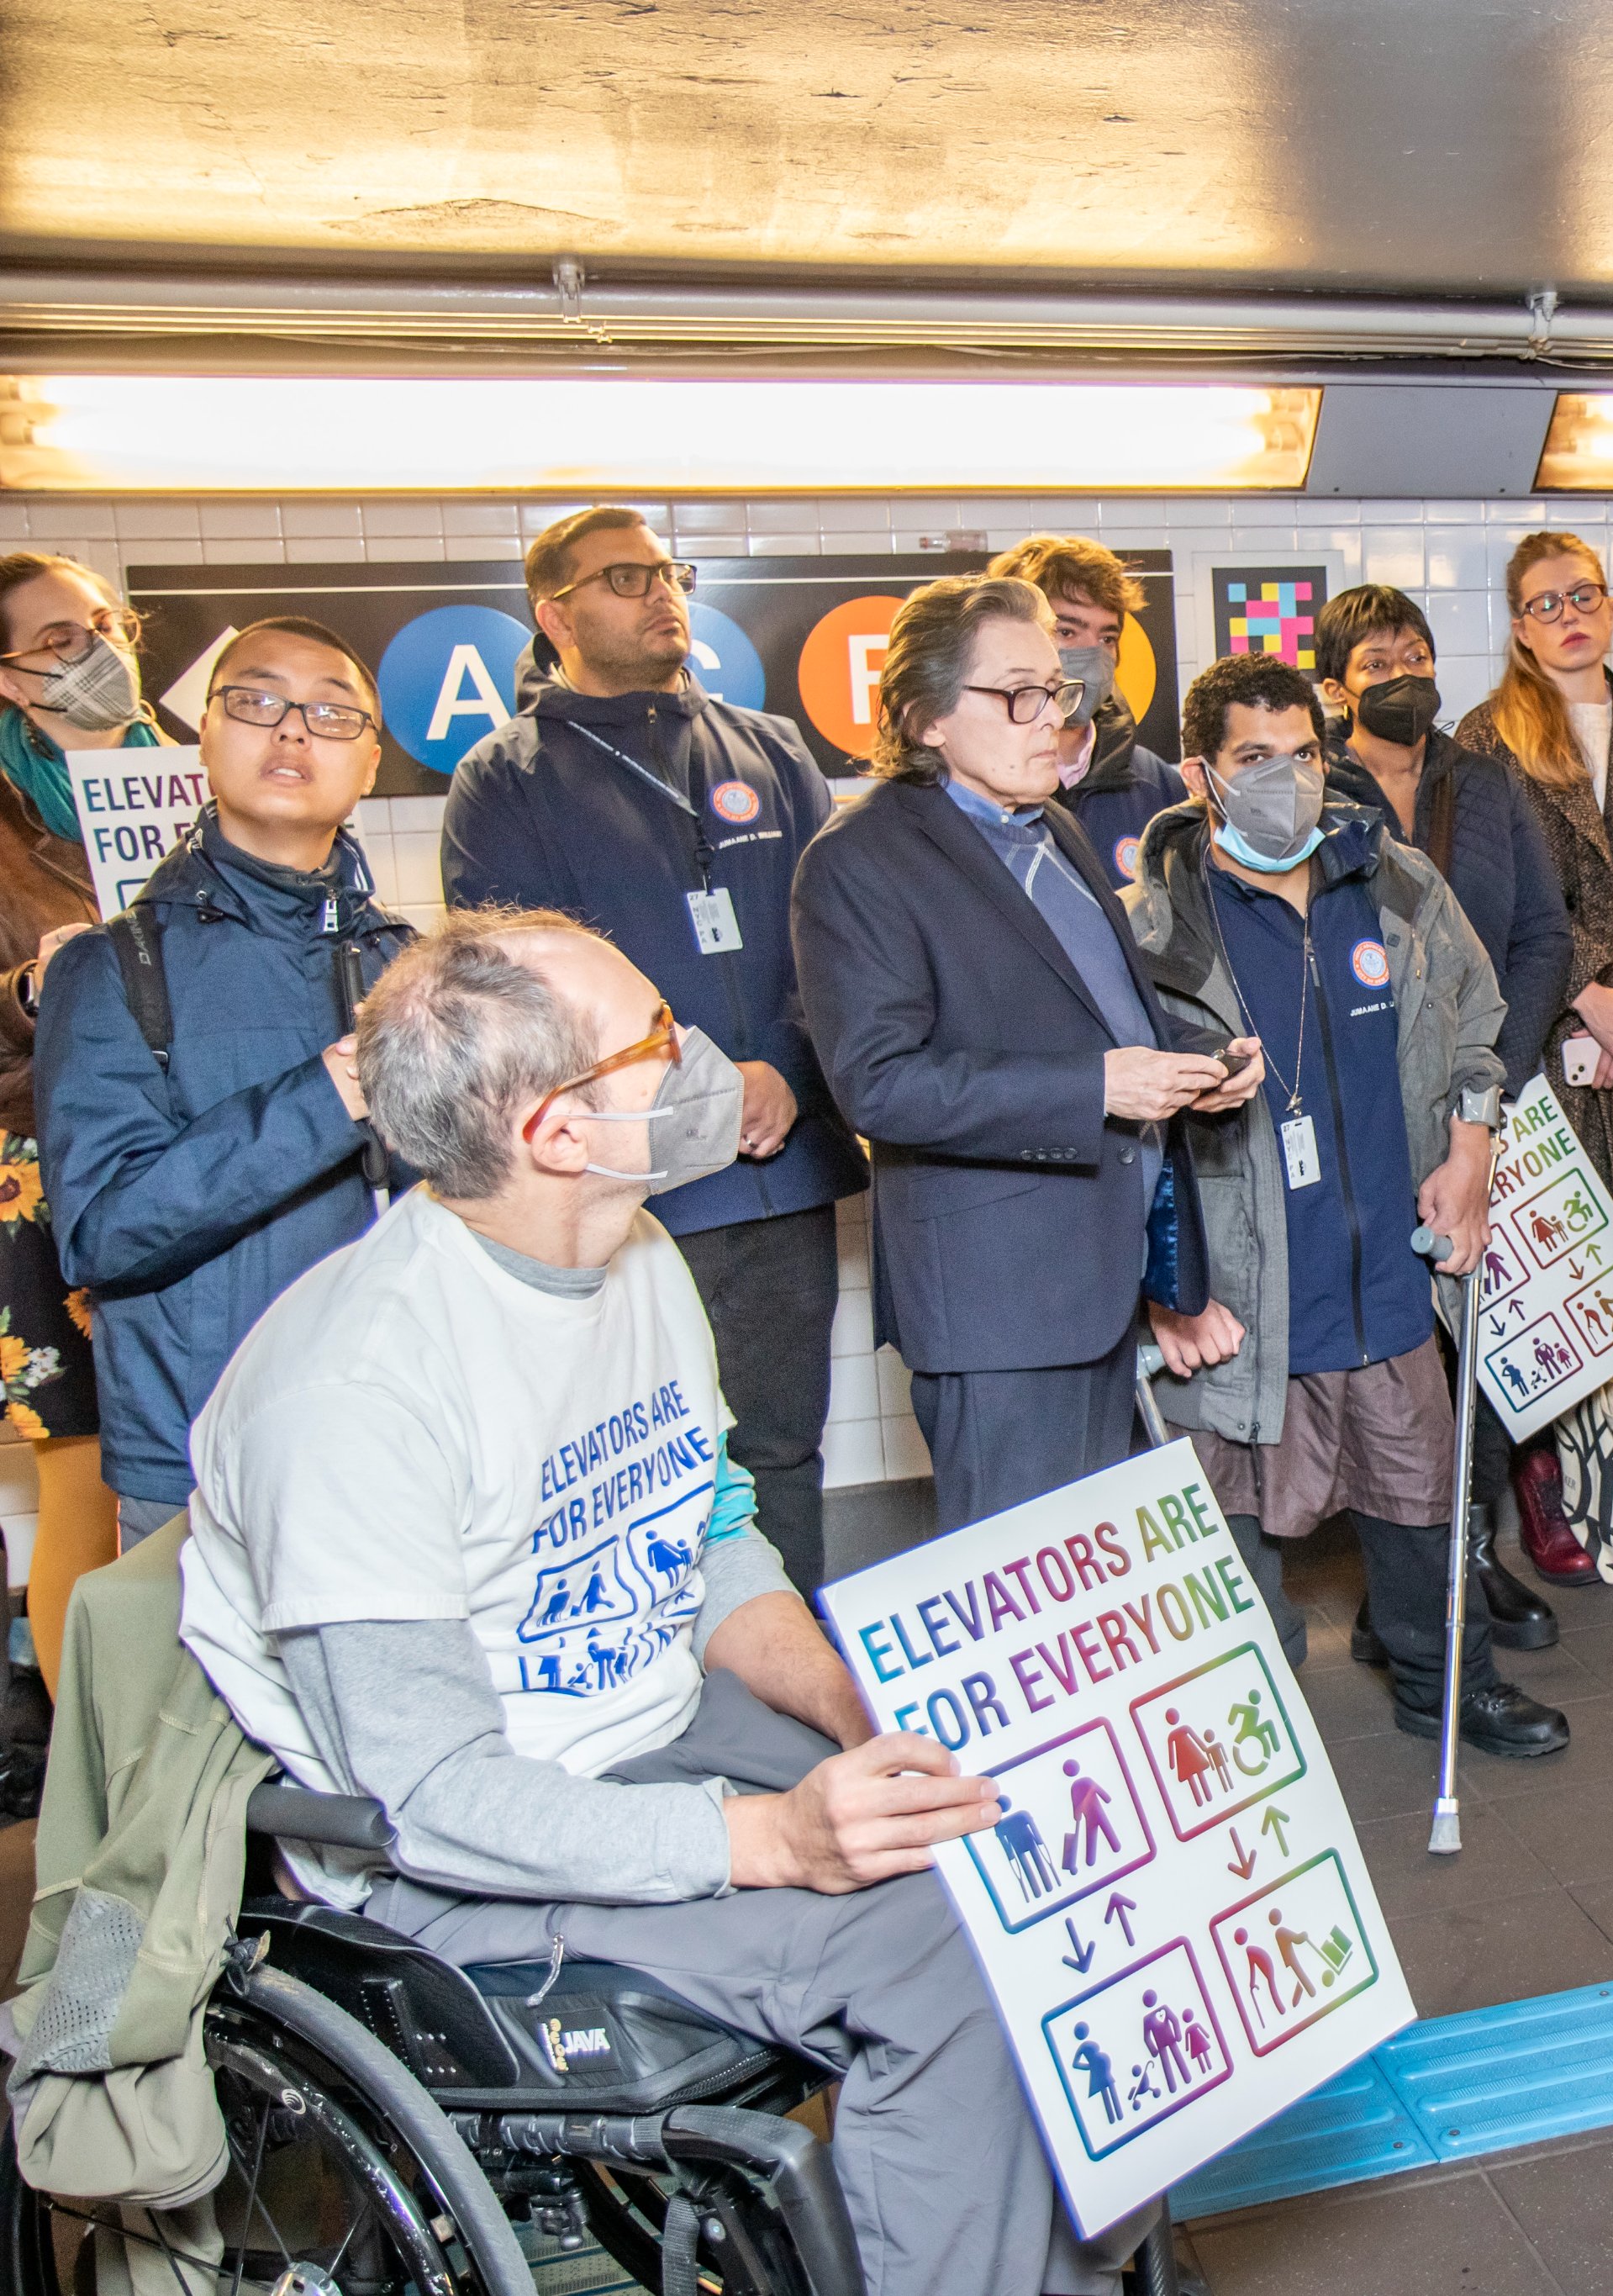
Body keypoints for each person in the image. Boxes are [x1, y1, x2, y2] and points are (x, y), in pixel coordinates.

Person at [172, 905, 1133, 2296]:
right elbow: (433, 1792)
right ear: (559, 1129)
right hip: (468, 1861)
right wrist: (775, 1838)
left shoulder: (631, 1259)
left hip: (657, 1729)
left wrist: (850, 1693)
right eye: (655, 1036)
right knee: (944, 1949)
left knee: (1023, 1801)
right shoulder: (355, 1387)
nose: (695, 1054)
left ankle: (1067, 2258)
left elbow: (706, 1541)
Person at [1123, 650, 1569, 1760]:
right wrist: (1158, 1289)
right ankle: (1241, 1715)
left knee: (1417, 1478)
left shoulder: (1397, 879)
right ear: (1201, 773)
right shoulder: (1151, 926)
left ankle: (1442, 1680)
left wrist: (1472, 1147)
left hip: (1381, 1255)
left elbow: (1478, 1009)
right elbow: (1120, 1122)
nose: (1288, 777)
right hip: (1242, 1276)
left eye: (1304, 753)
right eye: (1254, 758)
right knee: (1225, 1499)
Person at [445, 509, 866, 1593]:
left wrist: (786, 1067)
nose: (659, 591)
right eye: (622, 577)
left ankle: (800, 1682)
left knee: (781, 1450)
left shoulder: (770, 747)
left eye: (666, 571)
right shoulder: (506, 778)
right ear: (555, 614)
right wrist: (702, 1088)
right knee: (645, 1463)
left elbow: (840, 937)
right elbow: (521, 983)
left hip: (780, 1174)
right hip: (630, 1193)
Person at [790, 576, 1254, 1530]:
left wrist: (1191, 1063)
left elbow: (1095, 1016)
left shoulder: (1054, 828)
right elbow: (880, 1085)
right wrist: (1100, 1085)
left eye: (1061, 689)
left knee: (1094, 1588)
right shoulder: (859, 859)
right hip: (998, 1306)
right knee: (1021, 1597)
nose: (1054, 719)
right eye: (1018, 696)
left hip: (1101, 1276)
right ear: (924, 717)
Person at [38, 618, 414, 1604]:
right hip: (204, 1459)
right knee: (203, 1758)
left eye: (332, 713)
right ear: (203, 736)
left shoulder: (412, 966)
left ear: (370, 762)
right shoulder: (114, 967)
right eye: (257, 701)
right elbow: (103, 1233)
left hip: (403, 1433)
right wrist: (330, 1092)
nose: (293, 731)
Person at [1453, 531, 1613, 1585]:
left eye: (1585, 596)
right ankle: (1550, 1482)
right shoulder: (1484, 738)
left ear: (1609, 610)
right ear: (1517, 627)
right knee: (1560, 1275)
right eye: (1543, 602)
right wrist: (1581, 1003)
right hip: (1546, 1037)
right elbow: (1479, 909)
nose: (1569, 615)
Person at [1315, 580, 1573, 1649]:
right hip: (1366, 1122)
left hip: (1485, 1113)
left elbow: (1544, 939)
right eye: (1376, 662)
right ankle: (1405, 1589)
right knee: (1396, 1361)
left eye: (1414, 652)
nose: (1402, 674)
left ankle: (1476, 1554)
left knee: (1487, 1354)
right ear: (1334, 688)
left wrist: (1494, 1088)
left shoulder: (1487, 782)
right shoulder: (1313, 794)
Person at [0, 554, 163, 1660]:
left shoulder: (194, 781)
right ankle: (95, 1786)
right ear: (10, 675)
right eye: (59, 639)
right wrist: (25, 989)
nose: (95, 649)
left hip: (190, 1147)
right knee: (84, 1476)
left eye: (104, 625)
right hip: (40, 1163)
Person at [985, 535, 1186, 889]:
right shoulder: (978, 778)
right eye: (1066, 631)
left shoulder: (1156, 784)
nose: (1092, 653)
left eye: (1107, 638)